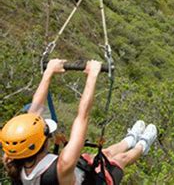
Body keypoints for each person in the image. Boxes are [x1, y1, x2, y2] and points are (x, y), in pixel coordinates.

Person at [1, 59, 157, 184]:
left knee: (106, 153)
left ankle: (130, 139)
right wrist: (93, 75)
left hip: (79, 174)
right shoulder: (62, 165)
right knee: (120, 160)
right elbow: (82, 117)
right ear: (44, 142)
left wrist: (48, 73)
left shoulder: (15, 162)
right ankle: (143, 144)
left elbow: (35, 110)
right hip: (91, 181)